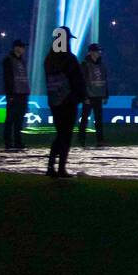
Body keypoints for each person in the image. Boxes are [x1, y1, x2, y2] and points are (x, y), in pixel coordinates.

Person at [44, 28, 86, 178]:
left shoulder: (49, 59)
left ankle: (51, 166)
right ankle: (61, 167)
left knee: (61, 134)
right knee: (66, 135)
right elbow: (77, 81)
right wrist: (80, 96)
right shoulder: (69, 59)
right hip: (68, 101)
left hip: (55, 101)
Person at [1, 39, 29, 151]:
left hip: (22, 93)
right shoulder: (8, 60)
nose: (23, 49)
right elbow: (7, 78)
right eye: (22, 47)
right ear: (16, 47)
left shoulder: (21, 61)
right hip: (14, 93)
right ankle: (8, 142)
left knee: (19, 119)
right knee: (10, 118)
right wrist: (10, 94)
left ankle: (18, 141)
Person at [78, 43, 108, 146]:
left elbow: (104, 80)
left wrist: (105, 95)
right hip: (89, 96)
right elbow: (81, 81)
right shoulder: (85, 64)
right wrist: (84, 96)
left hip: (98, 95)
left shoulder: (101, 65)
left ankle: (100, 140)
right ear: (90, 52)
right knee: (85, 118)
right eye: (96, 51)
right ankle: (81, 139)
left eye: (99, 51)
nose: (99, 53)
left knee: (98, 119)